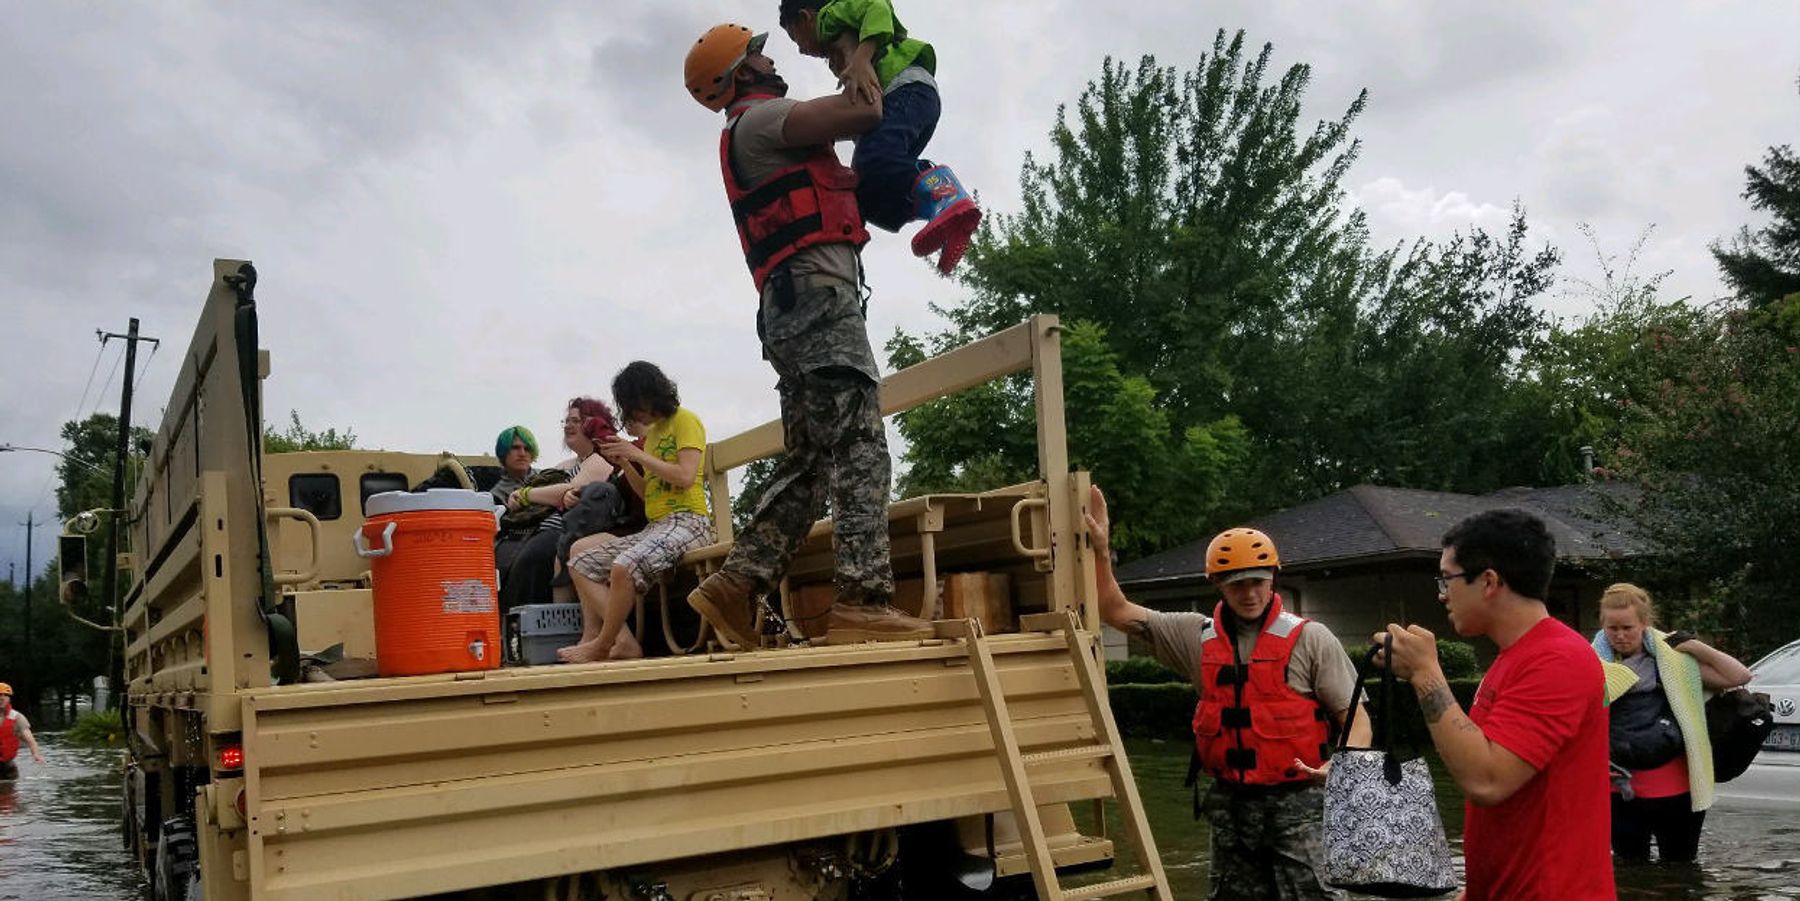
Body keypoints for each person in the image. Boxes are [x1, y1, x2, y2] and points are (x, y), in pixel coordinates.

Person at [682, 24, 932, 650]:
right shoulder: (762, 121)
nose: (776, 58)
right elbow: (866, 109)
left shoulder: (750, 130)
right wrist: (859, 55)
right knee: (860, 444)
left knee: (812, 463)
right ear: (742, 73)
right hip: (818, 305)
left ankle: (736, 585)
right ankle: (862, 602)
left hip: (792, 310)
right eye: (761, 53)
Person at [1084, 486, 1369, 901]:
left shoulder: (1312, 639)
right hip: (1232, 808)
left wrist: (1344, 764)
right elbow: (1115, 610)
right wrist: (1101, 550)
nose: (1249, 593)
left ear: (1273, 578)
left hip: (1301, 803)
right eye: (1237, 584)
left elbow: (1358, 719)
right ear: (1216, 583)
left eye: (1257, 582)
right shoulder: (1193, 636)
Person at [1374, 508, 1613, 901]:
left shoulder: (1557, 659)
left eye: (1446, 579)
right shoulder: (1515, 656)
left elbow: (1487, 780)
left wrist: (1424, 674)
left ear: (1488, 581)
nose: (1441, 593)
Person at [777, 0, 981, 273]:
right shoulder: (838, 47)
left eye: (795, 37)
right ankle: (943, 216)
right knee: (866, 190)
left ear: (806, 17)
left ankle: (946, 193)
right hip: (911, 102)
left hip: (906, 89)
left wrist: (862, 57)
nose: (801, 49)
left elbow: (878, 7)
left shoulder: (830, 15)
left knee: (875, 160)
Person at [559, 363, 719, 663]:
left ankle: (602, 644)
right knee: (581, 562)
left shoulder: (686, 421)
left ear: (650, 394)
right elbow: (648, 493)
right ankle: (624, 643)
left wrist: (637, 454)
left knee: (625, 565)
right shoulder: (655, 434)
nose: (633, 412)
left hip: (690, 521)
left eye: (634, 403)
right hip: (658, 525)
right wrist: (627, 461)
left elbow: (685, 476)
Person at [1593, 582, 1750, 863]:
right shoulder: (1590, 666)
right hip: (1619, 791)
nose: (1620, 636)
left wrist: (1694, 646)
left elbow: (1739, 676)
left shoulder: (1674, 662)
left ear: (1644, 624)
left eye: (1627, 628)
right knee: (1630, 873)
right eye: (1612, 629)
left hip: (1677, 790)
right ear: (1602, 626)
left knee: (1681, 871)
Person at [497, 399, 618, 611]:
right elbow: (544, 493)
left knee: (532, 560)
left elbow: (568, 491)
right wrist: (519, 498)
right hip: (535, 532)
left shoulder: (599, 461)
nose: (568, 425)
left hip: (564, 533)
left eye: (576, 420)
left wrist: (525, 494)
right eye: (567, 420)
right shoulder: (565, 465)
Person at [491, 425, 541, 582]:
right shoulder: (495, 496)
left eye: (527, 448)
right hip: (515, 546)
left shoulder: (548, 478)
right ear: (504, 452)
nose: (522, 453)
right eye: (515, 448)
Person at [1, 683, 47, 780]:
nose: (2, 697)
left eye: (5, 695)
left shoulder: (17, 718)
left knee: (9, 793)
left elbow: (30, 740)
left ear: (9, 698)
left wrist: (36, 754)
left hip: (7, 767)